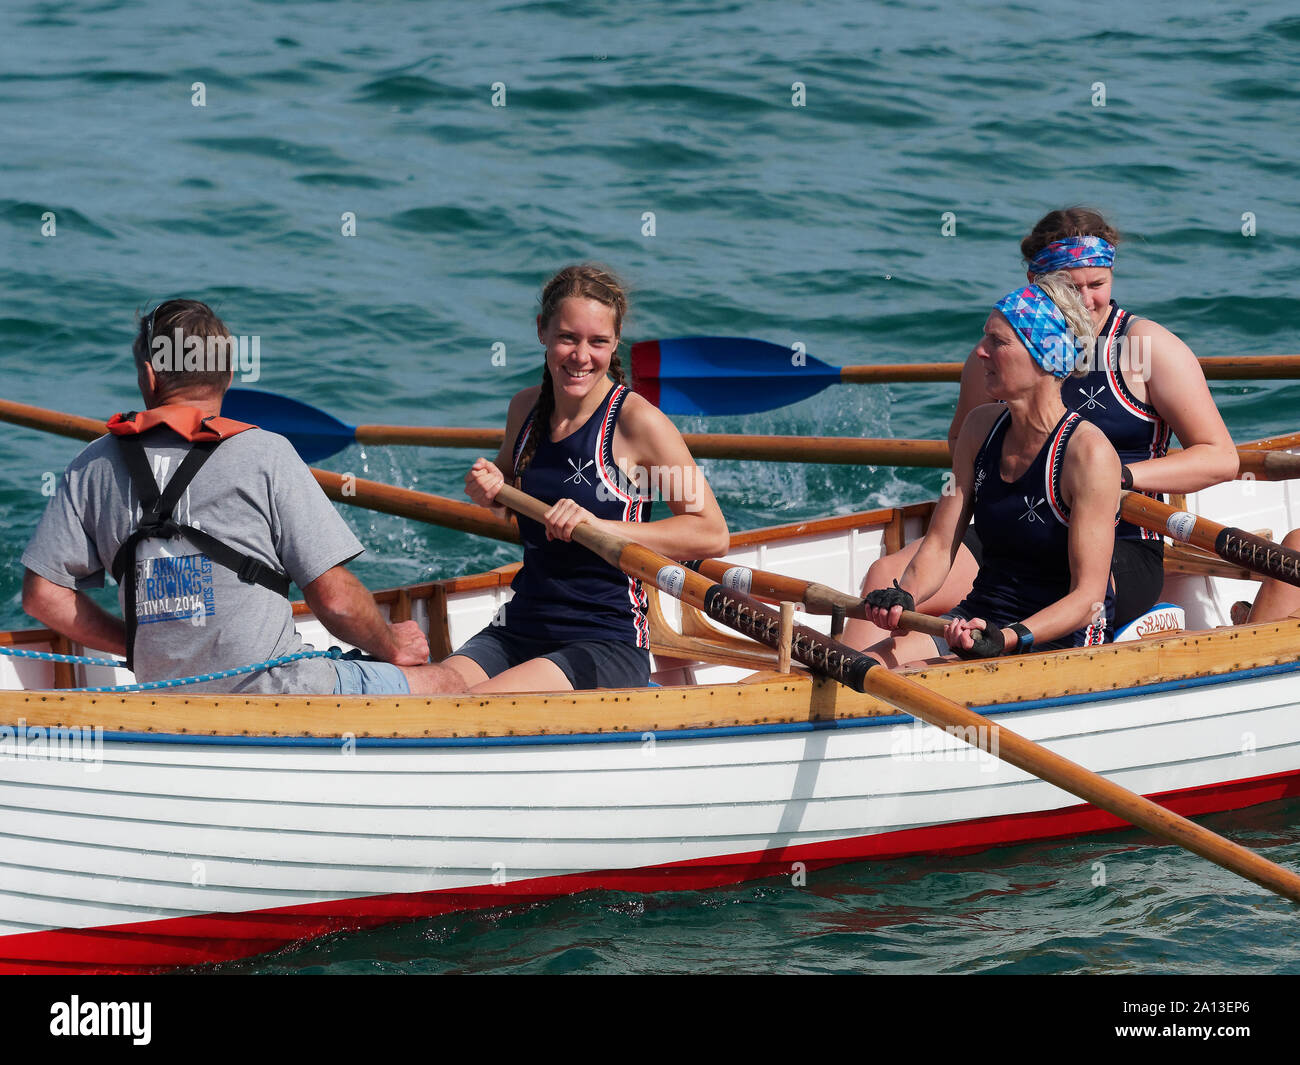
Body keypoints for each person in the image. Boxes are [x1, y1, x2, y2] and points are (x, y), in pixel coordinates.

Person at [844, 207, 1238, 649]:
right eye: (1072, 288)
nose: (1087, 301)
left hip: (1120, 533)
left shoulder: (1147, 349)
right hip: (1020, 520)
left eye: (1098, 285)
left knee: (1051, 590)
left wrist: (1119, 479)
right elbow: (967, 450)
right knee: (887, 577)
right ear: (1036, 285)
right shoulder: (995, 355)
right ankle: (853, 677)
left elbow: (1222, 456)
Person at [21, 298, 459, 695]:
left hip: (164, 696)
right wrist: (392, 644)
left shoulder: (90, 465)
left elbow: (43, 597)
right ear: (228, 375)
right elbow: (336, 599)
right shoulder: (265, 452)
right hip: (279, 690)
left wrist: (139, 643)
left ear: (149, 376)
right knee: (450, 682)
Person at [446, 264, 730, 693]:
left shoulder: (641, 424)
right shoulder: (524, 410)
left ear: (615, 342)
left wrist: (598, 526)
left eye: (597, 342)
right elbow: (507, 486)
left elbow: (711, 532)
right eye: (567, 338)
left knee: (467, 710)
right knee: (434, 692)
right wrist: (489, 485)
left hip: (605, 641)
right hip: (522, 621)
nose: (581, 356)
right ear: (541, 331)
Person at [860, 277, 1120, 667]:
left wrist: (1010, 638)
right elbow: (938, 544)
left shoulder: (1089, 454)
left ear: (1045, 355)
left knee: (899, 682)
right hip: (978, 619)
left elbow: (1088, 598)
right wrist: (905, 594)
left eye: (997, 342)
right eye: (984, 339)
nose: (979, 352)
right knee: (854, 668)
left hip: (1059, 638)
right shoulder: (979, 427)